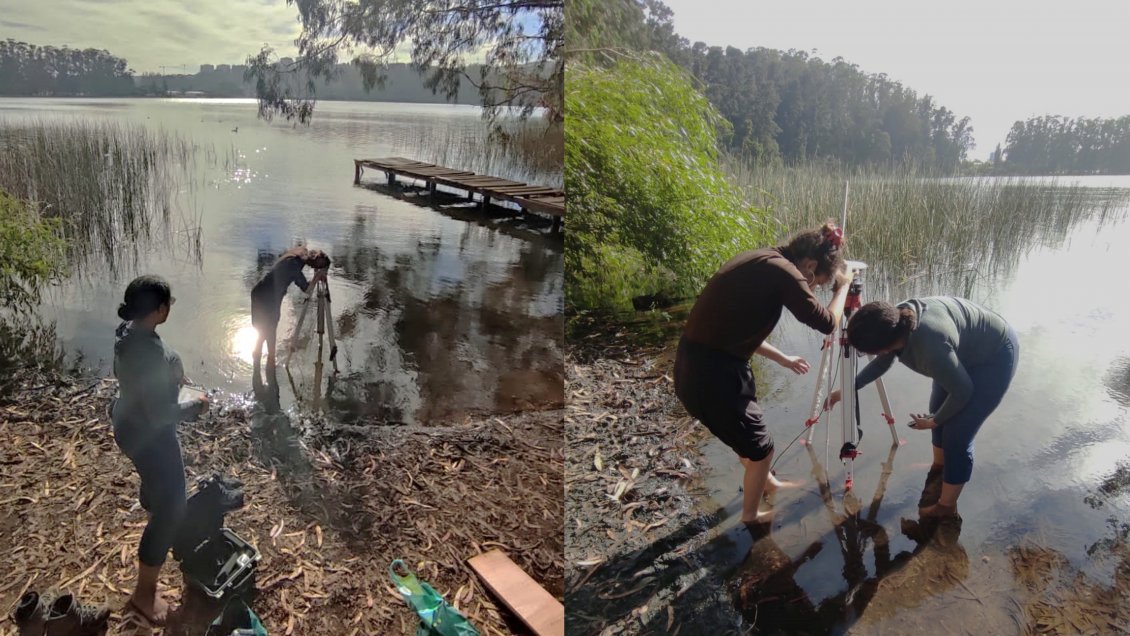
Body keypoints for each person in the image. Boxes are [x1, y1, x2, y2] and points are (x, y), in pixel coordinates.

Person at [674, 222, 856, 524]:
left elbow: (736, 327)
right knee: (761, 448)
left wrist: (783, 358)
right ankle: (750, 516)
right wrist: (844, 286)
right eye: (819, 283)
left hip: (693, 367)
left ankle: (767, 483)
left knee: (744, 436)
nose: (812, 288)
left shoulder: (762, 259)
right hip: (713, 375)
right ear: (809, 266)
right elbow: (827, 322)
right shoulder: (784, 272)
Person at [827, 296, 1019, 518]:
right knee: (937, 408)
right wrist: (847, 390)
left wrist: (934, 420)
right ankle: (939, 468)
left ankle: (945, 508)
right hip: (958, 353)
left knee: (956, 437)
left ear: (882, 347)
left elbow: (963, 391)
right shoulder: (893, 322)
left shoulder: (930, 349)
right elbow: (882, 361)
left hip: (994, 356)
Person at [111, 275, 210, 624]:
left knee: (156, 489)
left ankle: (154, 540)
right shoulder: (147, 350)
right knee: (171, 507)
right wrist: (195, 405)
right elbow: (160, 415)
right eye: (169, 304)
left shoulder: (127, 333)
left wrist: (171, 370)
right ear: (161, 309)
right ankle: (143, 597)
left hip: (126, 423)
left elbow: (144, 373)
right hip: (150, 434)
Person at [250, 247, 331, 369]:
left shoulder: (298, 253)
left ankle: (259, 361)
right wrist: (317, 277)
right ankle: (270, 362)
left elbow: (305, 257)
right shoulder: (294, 266)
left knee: (263, 330)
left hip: (259, 292)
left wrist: (318, 271)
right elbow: (308, 290)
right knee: (270, 329)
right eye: (318, 265)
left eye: (319, 267)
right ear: (315, 258)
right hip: (267, 298)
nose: (316, 268)